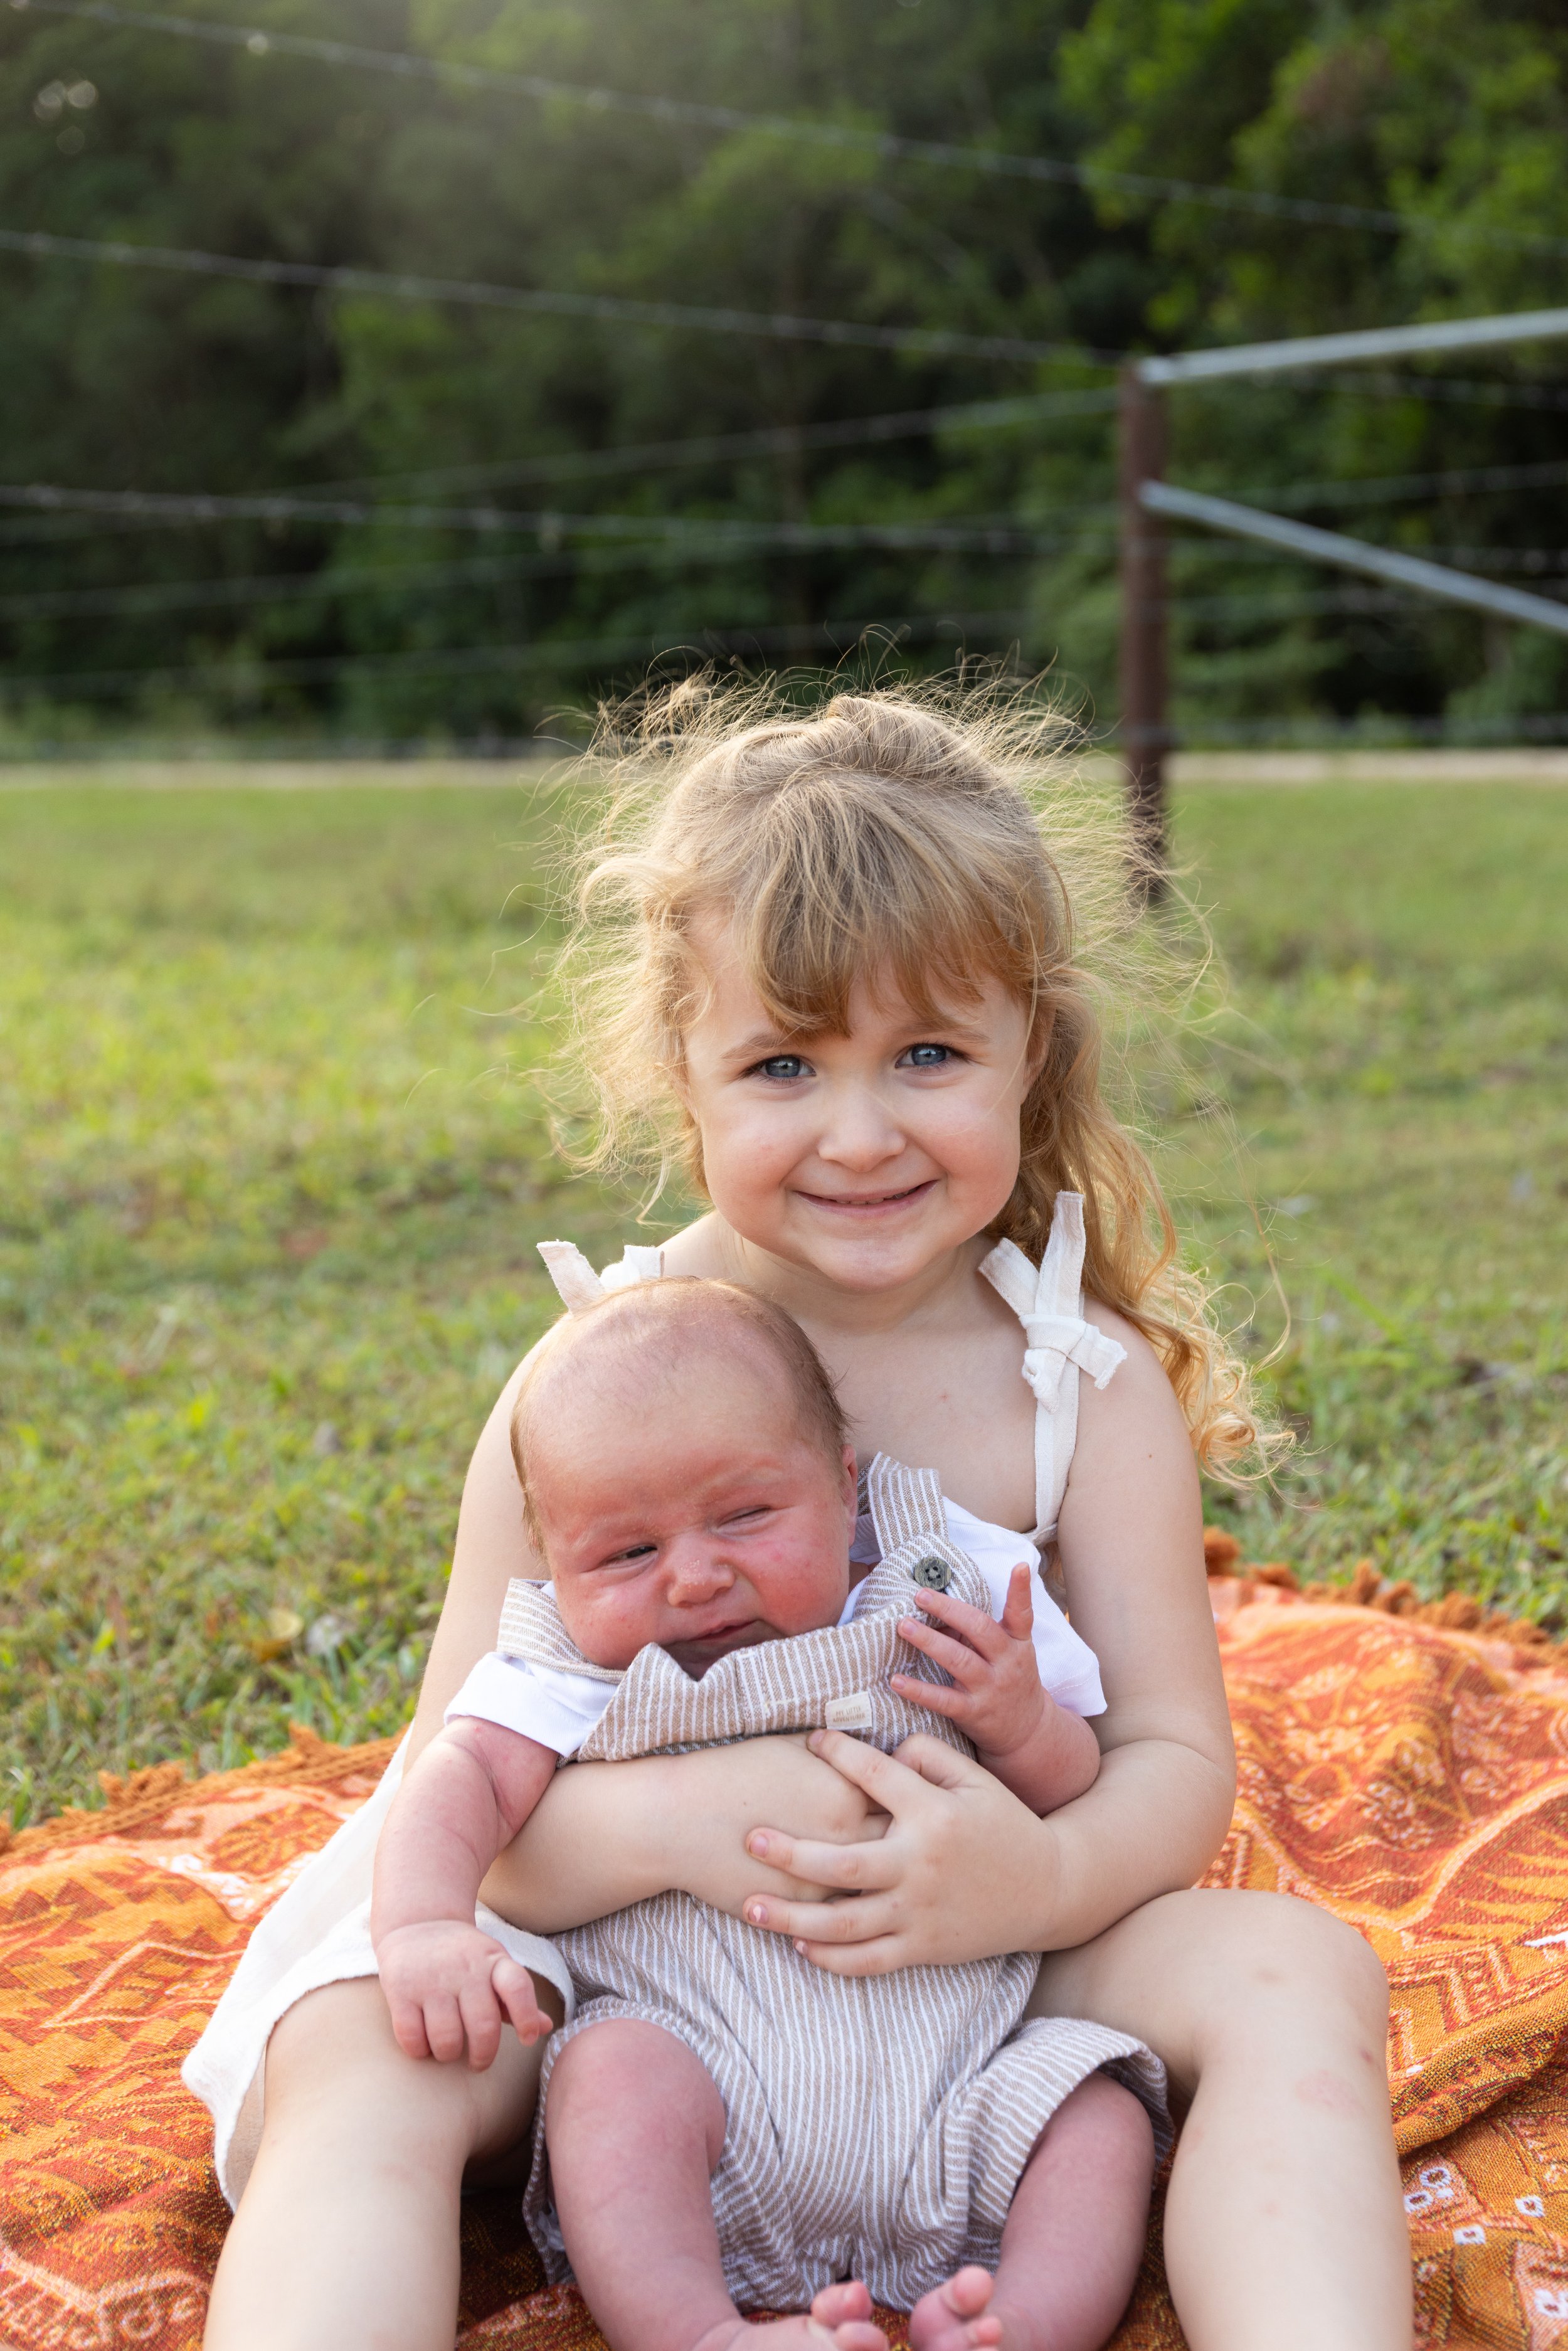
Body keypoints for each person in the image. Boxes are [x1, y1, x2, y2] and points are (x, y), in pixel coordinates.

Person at [191, 684, 1409, 2351]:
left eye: (924, 1053)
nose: (858, 1130)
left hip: (974, 1946)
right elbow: (459, 1781)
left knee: (1298, 1972)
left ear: (1026, 1049)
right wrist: (705, 1825)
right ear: (678, 1070)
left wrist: (1031, 1875)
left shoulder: (1077, 1387)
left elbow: (1177, 1769)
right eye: (782, 1061)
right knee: (367, 2057)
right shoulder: (598, 1380)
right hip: (620, 1961)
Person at [372, 1274, 1163, 2351]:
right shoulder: (567, 1668)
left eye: (746, 1516)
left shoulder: (947, 1591)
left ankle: (1021, 2324)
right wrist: (423, 1924)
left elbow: (1073, 1789)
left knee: (1097, 2109)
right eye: (626, 1553)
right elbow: (455, 1776)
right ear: (554, 1568)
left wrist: (1023, 1724)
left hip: (962, 2085)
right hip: (708, 2097)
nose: (694, 1578)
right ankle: (705, 2332)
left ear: (849, 1491)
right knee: (608, 2079)